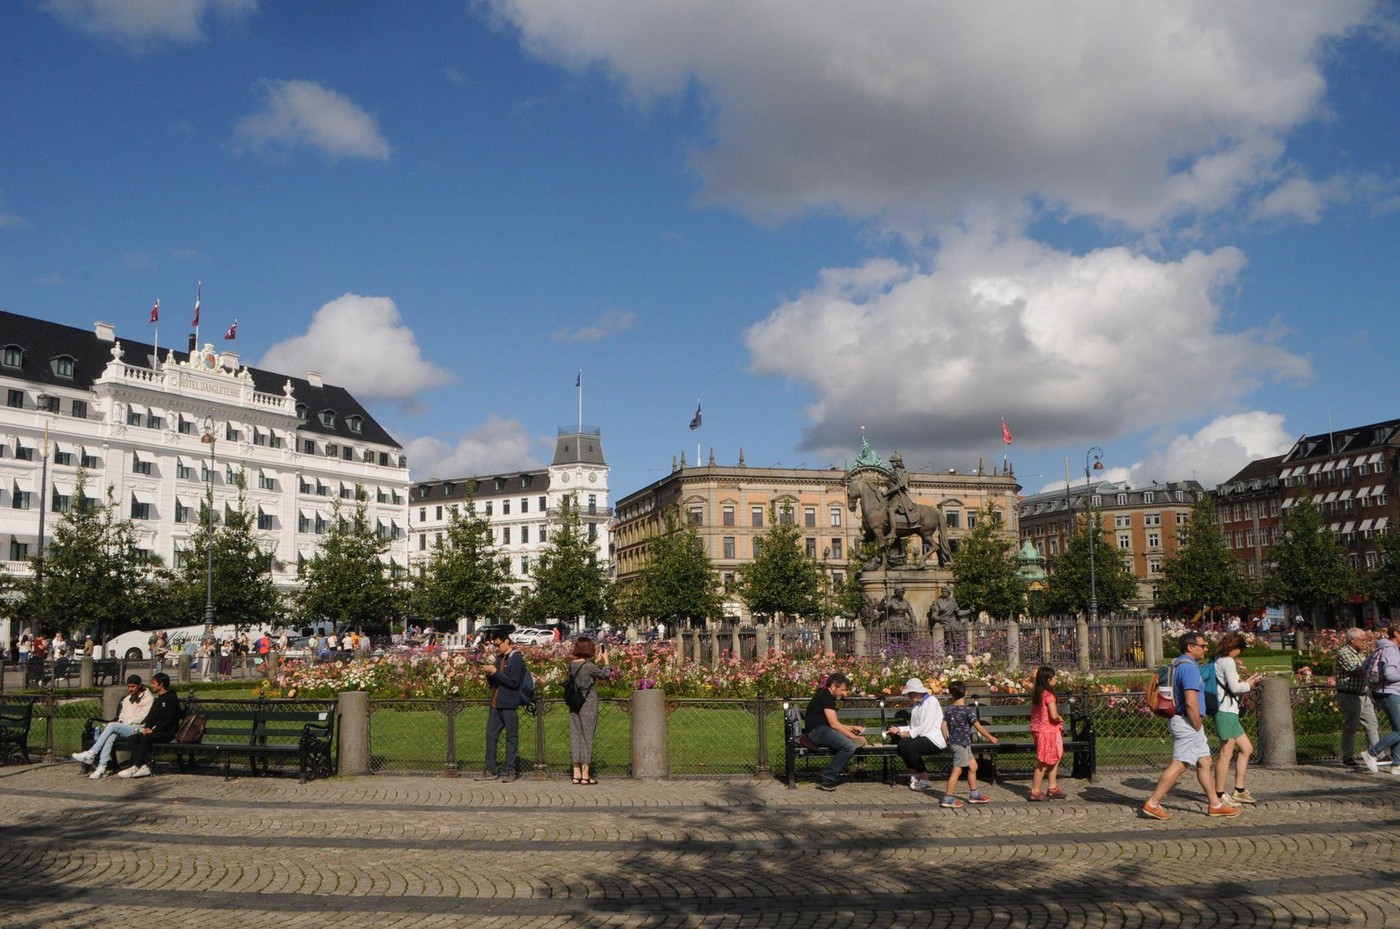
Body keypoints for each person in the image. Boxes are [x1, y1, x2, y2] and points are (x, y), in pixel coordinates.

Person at [1142, 634, 1240, 819]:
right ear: (1190, 647)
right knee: (1180, 764)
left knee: (1204, 761)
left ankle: (1215, 804)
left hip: (1185, 720)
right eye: (1202, 646)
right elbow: (1191, 702)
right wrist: (1196, 724)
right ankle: (1153, 803)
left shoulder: (1178, 663)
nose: (1205, 649)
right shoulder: (1189, 669)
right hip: (1188, 721)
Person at [1212, 632, 1264, 804]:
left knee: (1246, 748)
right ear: (1235, 648)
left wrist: (1246, 682)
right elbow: (1234, 688)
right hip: (1225, 710)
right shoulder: (1227, 661)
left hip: (1227, 710)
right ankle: (1219, 793)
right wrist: (1249, 685)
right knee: (1226, 753)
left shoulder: (1217, 659)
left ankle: (1239, 789)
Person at [72, 674, 152, 779]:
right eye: (128, 686)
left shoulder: (148, 699)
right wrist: (121, 723)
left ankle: (91, 753)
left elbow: (142, 718)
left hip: (139, 729)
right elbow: (122, 715)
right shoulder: (127, 699)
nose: (130, 689)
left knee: (112, 726)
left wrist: (123, 724)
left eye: (133, 686)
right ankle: (102, 767)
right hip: (126, 728)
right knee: (111, 735)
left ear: (139, 686)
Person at [939, 680, 998, 807]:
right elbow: (978, 727)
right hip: (962, 745)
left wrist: (946, 739)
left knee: (973, 767)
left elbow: (943, 726)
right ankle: (948, 798)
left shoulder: (949, 709)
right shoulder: (967, 711)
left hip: (959, 744)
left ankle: (974, 794)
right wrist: (990, 737)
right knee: (957, 771)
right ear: (966, 692)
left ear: (951, 694)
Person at [804, 672, 867, 791]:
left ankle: (827, 776)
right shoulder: (826, 696)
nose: (844, 693)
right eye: (842, 689)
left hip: (822, 730)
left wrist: (852, 728)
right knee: (849, 746)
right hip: (817, 732)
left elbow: (833, 723)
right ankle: (827, 777)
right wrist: (854, 737)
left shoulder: (826, 696)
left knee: (848, 744)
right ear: (834, 686)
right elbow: (834, 724)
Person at [883, 677, 946, 794]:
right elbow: (914, 726)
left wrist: (908, 734)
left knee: (912, 747)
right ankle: (915, 775)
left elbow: (926, 726)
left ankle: (925, 779)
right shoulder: (916, 705)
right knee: (902, 744)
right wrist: (898, 729)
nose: (909, 697)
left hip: (934, 738)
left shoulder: (931, 701)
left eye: (910, 694)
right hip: (922, 736)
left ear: (916, 693)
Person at [565, 637, 614, 785]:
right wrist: (606, 661)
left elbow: (583, 672)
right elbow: (605, 675)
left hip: (574, 703)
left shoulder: (571, 665)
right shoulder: (589, 666)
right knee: (587, 737)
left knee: (576, 736)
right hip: (588, 703)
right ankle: (585, 775)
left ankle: (576, 773)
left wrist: (595, 661)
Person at [482, 629, 528, 782]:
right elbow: (496, 682)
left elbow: (513, 682)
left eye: (498, 644)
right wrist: (489, 675)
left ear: (507, 641)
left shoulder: (516, 659)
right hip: (496, 703)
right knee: (490, 735)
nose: (497, 648)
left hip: (509, 703)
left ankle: (510, 769)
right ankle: (490, 769)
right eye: (495, 645)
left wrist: (495, 672)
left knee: (511, 736)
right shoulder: (499, 658)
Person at [117, 672, 182, 779]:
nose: (151, 686)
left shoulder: (171, 698)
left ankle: (136, 766)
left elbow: (168, 720)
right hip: (155, 731)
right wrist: (147, 727)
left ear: (161, 685)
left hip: (167, 732)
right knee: (133, 738)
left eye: (154, 683)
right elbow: (151, 717)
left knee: (146, 738)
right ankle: (143, 765)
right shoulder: (158, 699)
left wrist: (153, 730)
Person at [1336, 627, 1381, 768]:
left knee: (1372, 724)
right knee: (1351, 726)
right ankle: (1347, 756)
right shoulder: (1344, 652)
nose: (1364, 642)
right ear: (1352, 640)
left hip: (1363, 694)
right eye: (1362, 640)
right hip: (1350, 695)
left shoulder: (1360, 653)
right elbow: (1358, 671)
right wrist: (1374, 673)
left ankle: (1376, 754)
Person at [1360, 625, 1400, 775]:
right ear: (1396, 633)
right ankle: (1371, 753)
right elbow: (1390, 674)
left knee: (1398, 729)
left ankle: (1396, 764)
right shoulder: (1391, 650)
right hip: (1390, 693)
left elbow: (1364, 666)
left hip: (1381, 692)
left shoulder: (1380, 648)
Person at [1028, 666, 1067, 801]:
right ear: (1049, 679)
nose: (1056, 680)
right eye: (1054, 677)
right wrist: (1059, 718)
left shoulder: (1038, 694)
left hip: (1040, 730)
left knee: (1054, 757)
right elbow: (1053, 715)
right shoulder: (1049, 696)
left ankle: (1052, 787)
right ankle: (1035, 790)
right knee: (1043, 762)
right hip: (1048, 731)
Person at [885, 451, 918, 531]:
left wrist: (886, 492)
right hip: (890, 497)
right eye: (892, 462)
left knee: (891, 510)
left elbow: (899, 486)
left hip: (899, 498)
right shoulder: (892, 473)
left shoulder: (904, 473)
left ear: (897, 463)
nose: (892, 464)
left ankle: (893, 531)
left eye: (893, 462)